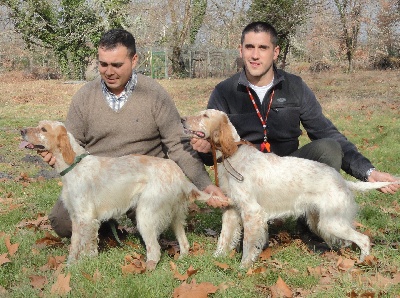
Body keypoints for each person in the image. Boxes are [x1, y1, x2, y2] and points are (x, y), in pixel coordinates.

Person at [40, 28, 227, 238]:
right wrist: (55, 154)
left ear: (134, 60)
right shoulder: (84, 98)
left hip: (142, 182)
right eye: (103, 64)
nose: (109, 71)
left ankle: (130, 220)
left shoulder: (154, 94)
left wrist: (205, 184)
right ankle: (104, 223)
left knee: (153, 228)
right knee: (63, 223)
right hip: (98, 181)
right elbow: (72, 145)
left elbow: (177, 145)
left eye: (117, 65)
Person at [191, 21, 399, 195]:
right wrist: (206, 149)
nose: (255, 55)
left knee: (328, 148)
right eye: (249, 47)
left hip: (289, 172)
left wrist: (368, 172)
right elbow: (213, 150)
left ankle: (309, 221)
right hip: (249, 181)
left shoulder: (295, 86)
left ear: (275, 52)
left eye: (263, 48)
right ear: (241, 50)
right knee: (254, 236)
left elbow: (326, 132)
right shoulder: (224, 91)